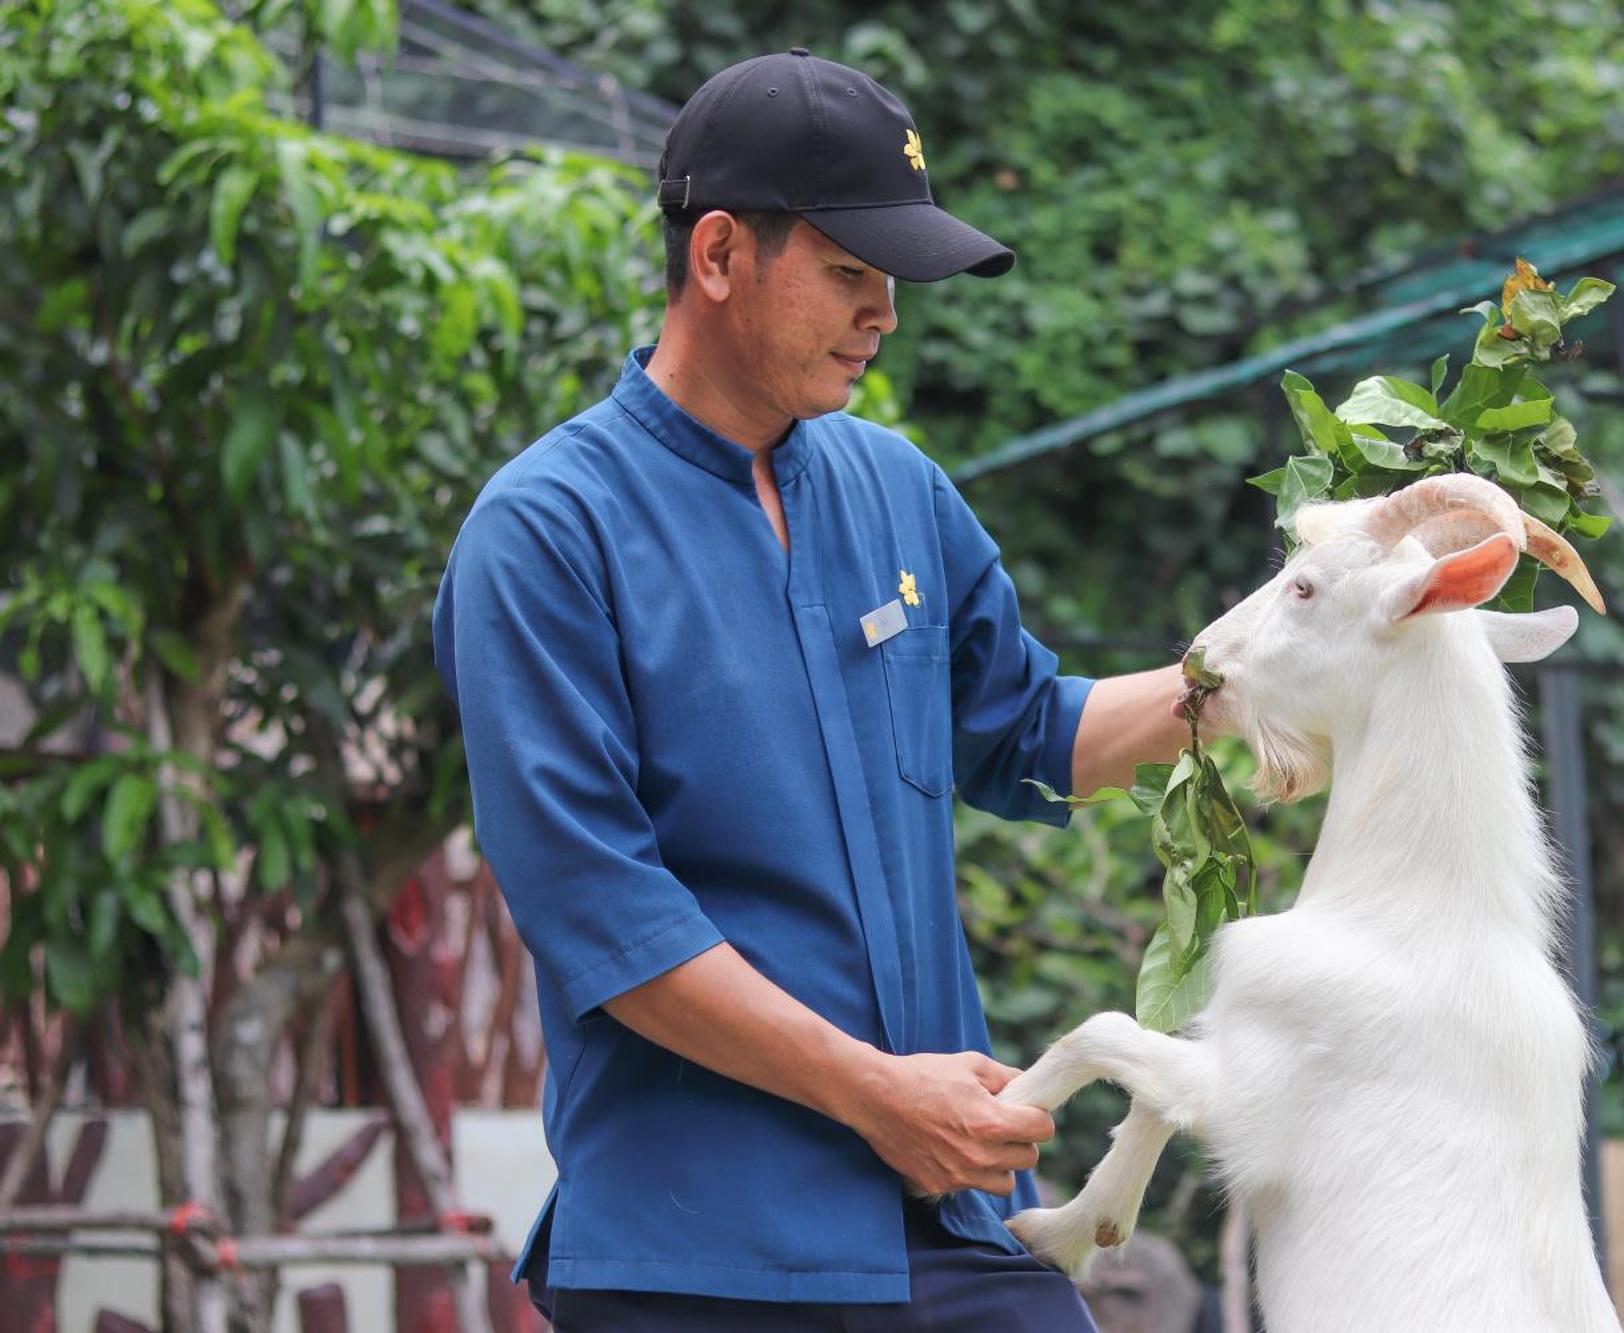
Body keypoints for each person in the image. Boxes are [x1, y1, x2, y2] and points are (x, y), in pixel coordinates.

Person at [432, 47, 1190, 1332]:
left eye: (889, 280)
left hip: (937, 1226)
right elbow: (604, 915)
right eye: (848, 273)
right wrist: (880, 1094)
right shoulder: (547, 532)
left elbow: (1032, 729)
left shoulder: (897, 491)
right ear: (719, 255)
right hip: (690, 1255)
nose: (883, 313)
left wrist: (1281, 668)